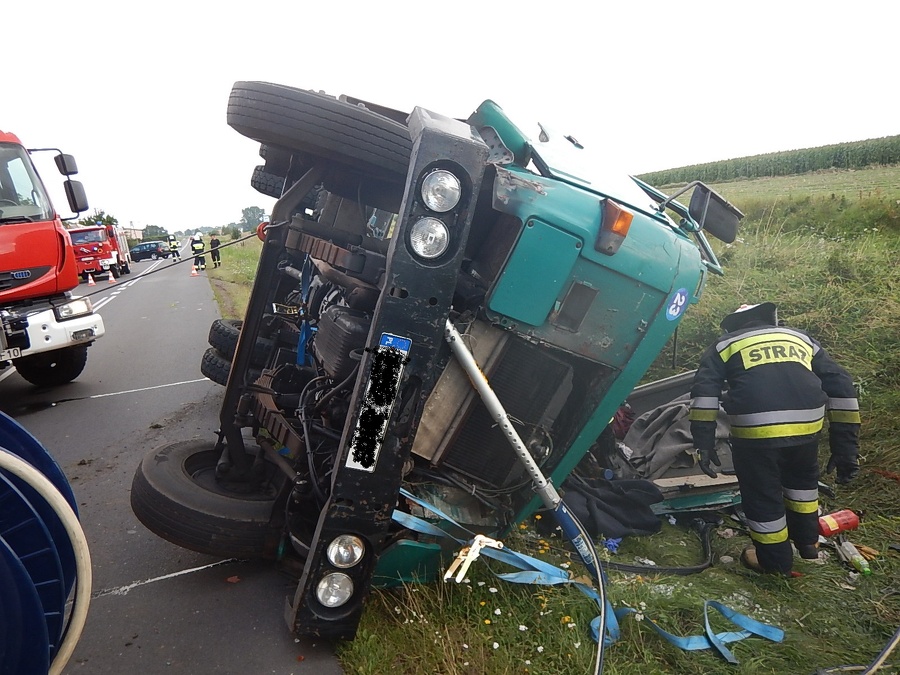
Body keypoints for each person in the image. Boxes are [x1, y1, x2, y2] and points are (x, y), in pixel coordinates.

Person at [689, 302, 860, 576]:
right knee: (803, 488)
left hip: (755, 435)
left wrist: (704, 443)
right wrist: (845, 448)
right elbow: (841, 384)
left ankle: (775, 563)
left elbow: (704, 397)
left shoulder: (724, 345)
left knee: (762, 496)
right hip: (806, 430)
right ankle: (808, 544)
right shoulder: (801, 338)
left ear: (733, 324)